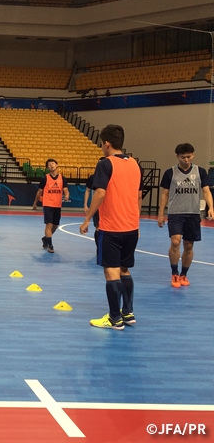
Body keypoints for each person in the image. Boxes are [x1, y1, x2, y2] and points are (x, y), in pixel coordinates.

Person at [80, 124, 143, 331]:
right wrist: (137, 222)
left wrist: (88, 218)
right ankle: (128, 312)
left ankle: (115, 318)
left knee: (111, 273)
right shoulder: (135, 164)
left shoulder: (105, 164)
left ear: (107, 144)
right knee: (124, 270)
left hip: (112, 227)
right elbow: (138, 196)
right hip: (131, 227)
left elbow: (100, 193)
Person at [157, 143, 214, 287]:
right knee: (175, 242)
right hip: (175, 213)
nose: (186, 160)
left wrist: (211, 207)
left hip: (193, 214)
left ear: (193, 155)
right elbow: (164, 194)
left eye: (189, 157)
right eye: (183, 157)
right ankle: (174, 273)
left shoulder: (200, 172)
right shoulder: (170, 173)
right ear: (177, 157)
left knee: (189, 245)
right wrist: (161, 213)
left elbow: (206, 191)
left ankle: (184, 274)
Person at [32, 159, 69, 253]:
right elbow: (39, 191)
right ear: (47, 168)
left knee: (55, 225)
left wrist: (67, 195)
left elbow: (65, 189)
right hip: (48, 204)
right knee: (49, 224)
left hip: (57, 205)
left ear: (57, 165)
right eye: (49, 164)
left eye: (53, 163)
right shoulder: (45, 178)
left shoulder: (62, 178)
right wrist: (35, 203)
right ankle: (50, 245)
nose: (51, 165)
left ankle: (46, 239)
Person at [83, 157, 106, 248]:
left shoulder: (111, 177)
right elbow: (88, 190)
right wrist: (85, 204)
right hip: (97, 206)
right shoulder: (93, 177)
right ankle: (99, 247)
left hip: (109, 207)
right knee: (98, 227)